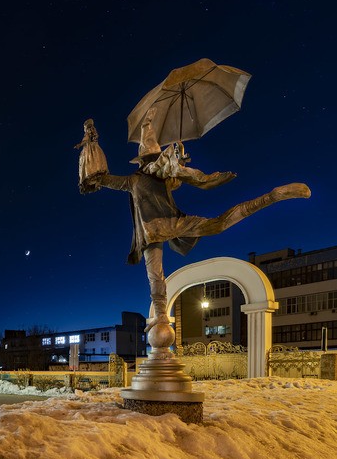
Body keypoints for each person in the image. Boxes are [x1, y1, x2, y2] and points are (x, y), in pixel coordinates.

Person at [78, 116, 310, 347]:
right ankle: (160, 314)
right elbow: (104, 179)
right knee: (157, 276)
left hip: (164, 227)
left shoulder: (158, 176)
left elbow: (111, 177)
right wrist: (91, 141)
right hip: (156, 231)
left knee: (164, 269)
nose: (151, 162)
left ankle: (272, 196)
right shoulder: (139, 179)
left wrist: (183, 160)